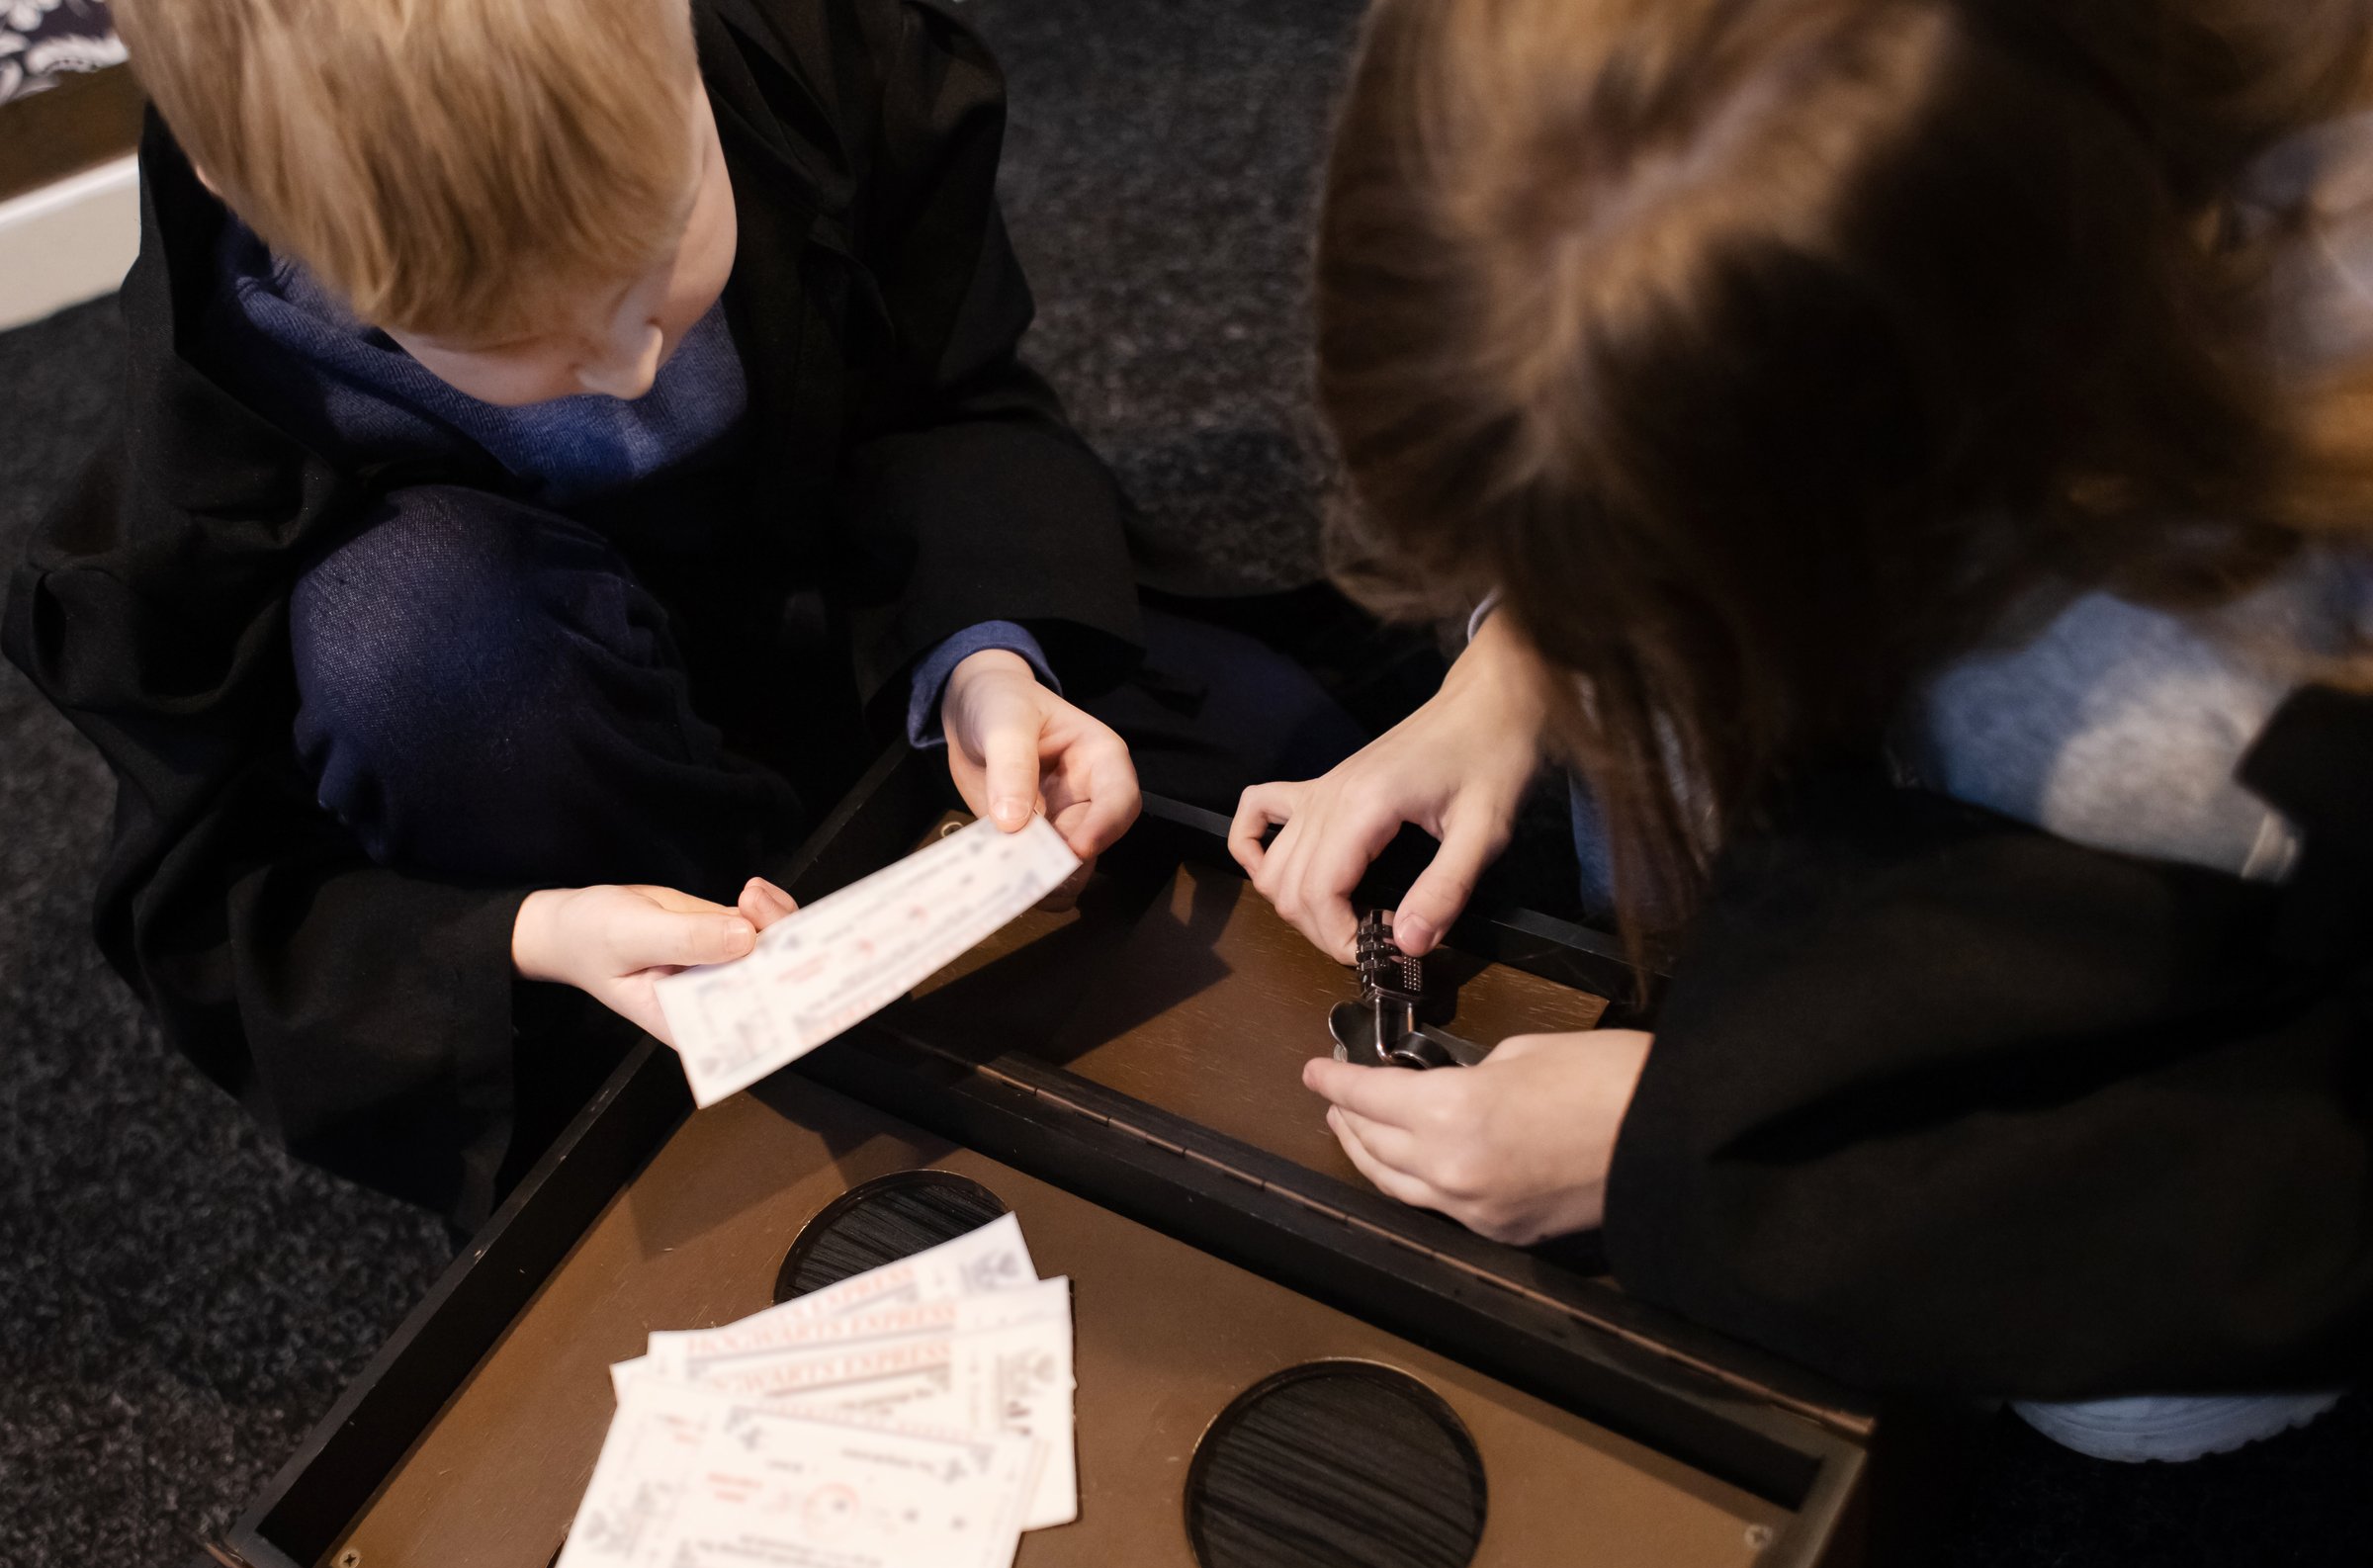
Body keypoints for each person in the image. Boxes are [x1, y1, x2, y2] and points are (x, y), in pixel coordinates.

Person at [4, 0, 1360, 1232]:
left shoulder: (792, 47)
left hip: (859, 621)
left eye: (657, 253)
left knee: (1310, 772)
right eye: (523, 337)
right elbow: (215, 894)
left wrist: (987, 648)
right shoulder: (213, 439)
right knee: (409, 640)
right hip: (551, 774)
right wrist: (529, 933)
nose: (635, 363)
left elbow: (943, 384)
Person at [1233, 0, 2373, 1457]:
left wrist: (1675, 1154)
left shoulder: (2245, 698)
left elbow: (2262, 1170)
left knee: (2131, 1407)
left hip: (2239, 1049)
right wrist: (1516, 664)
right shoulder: (1874, 199)